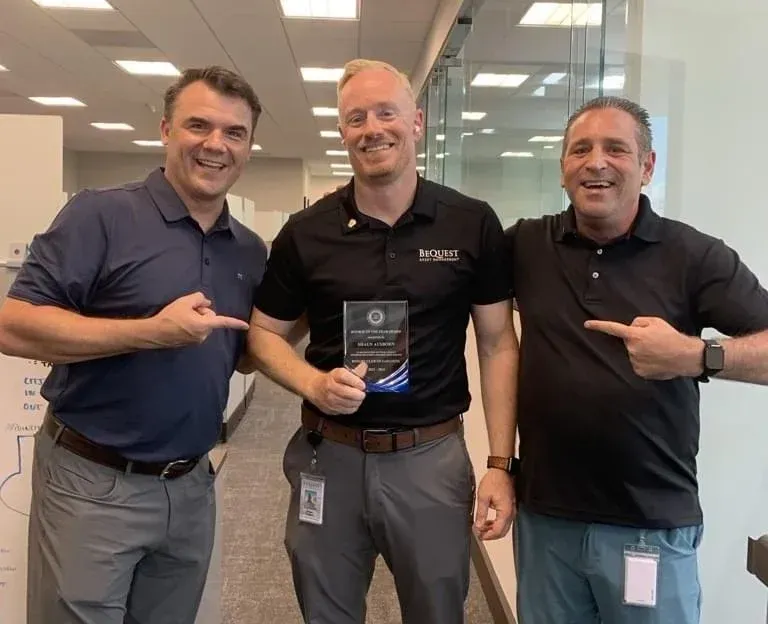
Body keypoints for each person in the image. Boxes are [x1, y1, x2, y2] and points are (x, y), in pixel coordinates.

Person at [241, 58, 519, 624]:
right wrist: (312, 382)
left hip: (429, 458)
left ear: (416, 122)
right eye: (356, 118)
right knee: (326, 610)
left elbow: (498, 344)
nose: (372, 129)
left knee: (438, 610)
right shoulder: (306, 232)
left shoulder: (470, 223)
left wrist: (499, 461)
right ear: (343, 132)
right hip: (328, 456)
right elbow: (261, 335)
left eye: (386, 113)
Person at [0, 66, 267, 624]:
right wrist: (151, 331)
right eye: (199, 125)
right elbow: (13, 325)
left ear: (248, 146)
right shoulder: (102, 214)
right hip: (92, 481)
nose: (216, 144)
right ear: (166, 130)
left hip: (191, 485)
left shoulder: (247, 248)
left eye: (234, 132)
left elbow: (241, 354)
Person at [507, 95, 768, 624]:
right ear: (563, 168)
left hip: (650, 524)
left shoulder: (693, 255)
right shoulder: (526, 246)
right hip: (545, 520)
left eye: (616, 149)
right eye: (580, 149)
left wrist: (696, 355)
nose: (596, 162)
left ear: (647, 166)